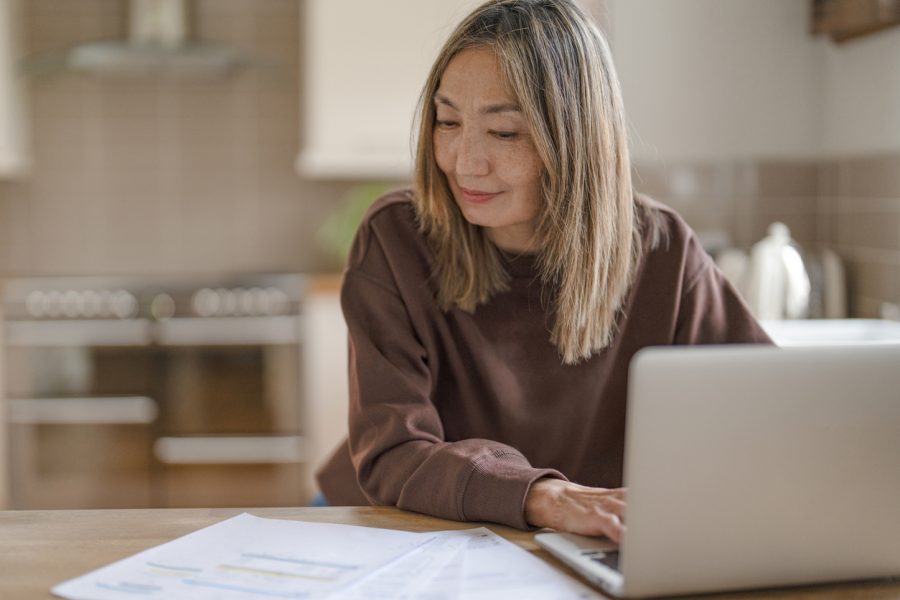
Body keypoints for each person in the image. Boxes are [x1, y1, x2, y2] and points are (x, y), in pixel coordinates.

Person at [315, 0, 771, 542]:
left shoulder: (661, 249)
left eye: (504, 133)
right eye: (448, 121)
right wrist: (542, 496)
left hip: (582, 536)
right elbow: (393, 453)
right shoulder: (395, 238)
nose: (465, 162)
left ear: (577, 139)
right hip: (397, 518)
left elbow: (767, 417)